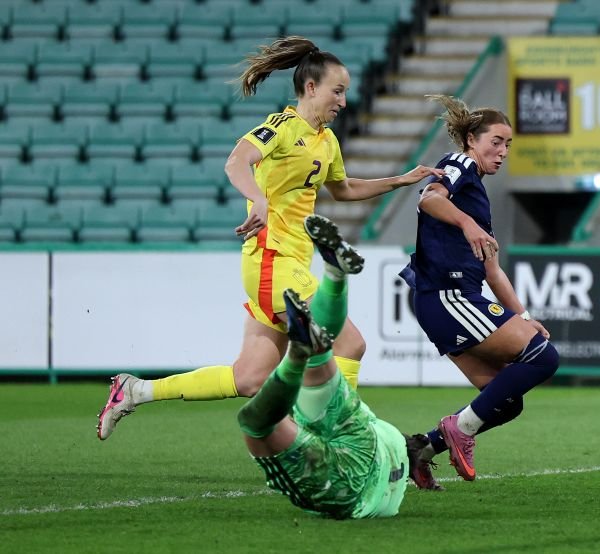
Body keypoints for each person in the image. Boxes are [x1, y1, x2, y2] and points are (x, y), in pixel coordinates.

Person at [96, 36, 442, 440]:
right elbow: (236, 161)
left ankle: (135, 390)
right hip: (270, 262)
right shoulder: (281, 126)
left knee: (249, 378)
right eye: (338, 91)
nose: (344, 102)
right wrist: (257, 198)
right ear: (311, 88)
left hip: (293, 263)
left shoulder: (326, 141)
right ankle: (341, 440)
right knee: (350, 344)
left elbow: (343, 189)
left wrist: (400, 180)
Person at [399, 95, 559, 490]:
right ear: (471, 139)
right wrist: (468, 224)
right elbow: (429, 199)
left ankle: (420, 449)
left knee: (504, 402)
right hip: (449, 295)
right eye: (497, 141)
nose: (503, 152)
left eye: (508, 145)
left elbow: (492, 269)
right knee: (543, 357)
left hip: (449, 299)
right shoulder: (460, 164)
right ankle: (457, 429)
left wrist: (523, 318)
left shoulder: (477, 194)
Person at [236, 215, 412, 519]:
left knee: (305, 384)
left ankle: (331, 284)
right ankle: (327, 290)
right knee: (262, 420)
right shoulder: (318, 427)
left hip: (370, 462)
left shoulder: (335, 436)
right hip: (363, 471)